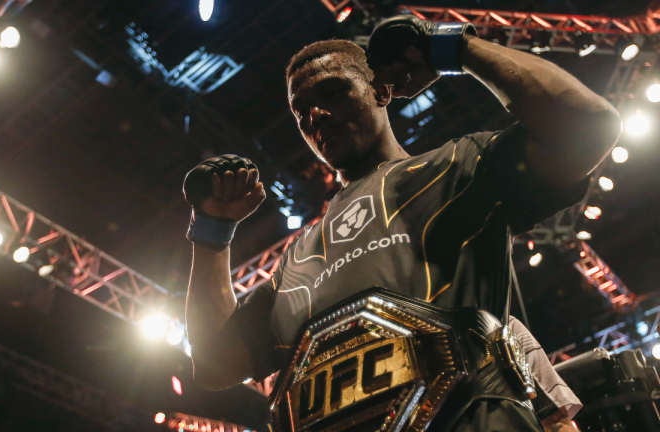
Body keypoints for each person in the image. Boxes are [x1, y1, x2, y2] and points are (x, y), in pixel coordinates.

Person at [182, 15, 620, 431]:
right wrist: (211, 232)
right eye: (302, 112)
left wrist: (450, 47)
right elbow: (215, 363)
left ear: (381, 91)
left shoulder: (457, 166)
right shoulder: (295, 260)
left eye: (333, 92)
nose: (315, 116)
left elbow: (585, 125)